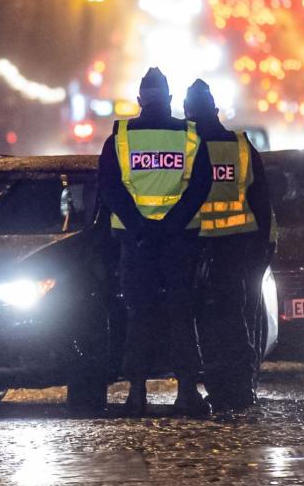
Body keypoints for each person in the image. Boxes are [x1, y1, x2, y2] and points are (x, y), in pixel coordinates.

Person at [98, 68, 213, 418]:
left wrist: (140, 227)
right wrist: (172, 224)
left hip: (136, 245)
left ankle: (136, 393)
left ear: (139, 101)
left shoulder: (118, 137)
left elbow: (110, 189)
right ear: (170, 99)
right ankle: (187, 392)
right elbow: (200, 186)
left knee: (139, 317)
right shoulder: (191, 136)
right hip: (179, 243)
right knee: (182, 315)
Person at [183, 79, 274, 414]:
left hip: (196, 248)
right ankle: (242, 389)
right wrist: (262, 249)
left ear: (188, 113)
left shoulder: (188, 148)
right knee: (238, 322)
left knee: (203, 325)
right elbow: (261, 203)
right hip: (238, 249)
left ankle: (219, 390)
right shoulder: (241, 145)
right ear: (216, 110)